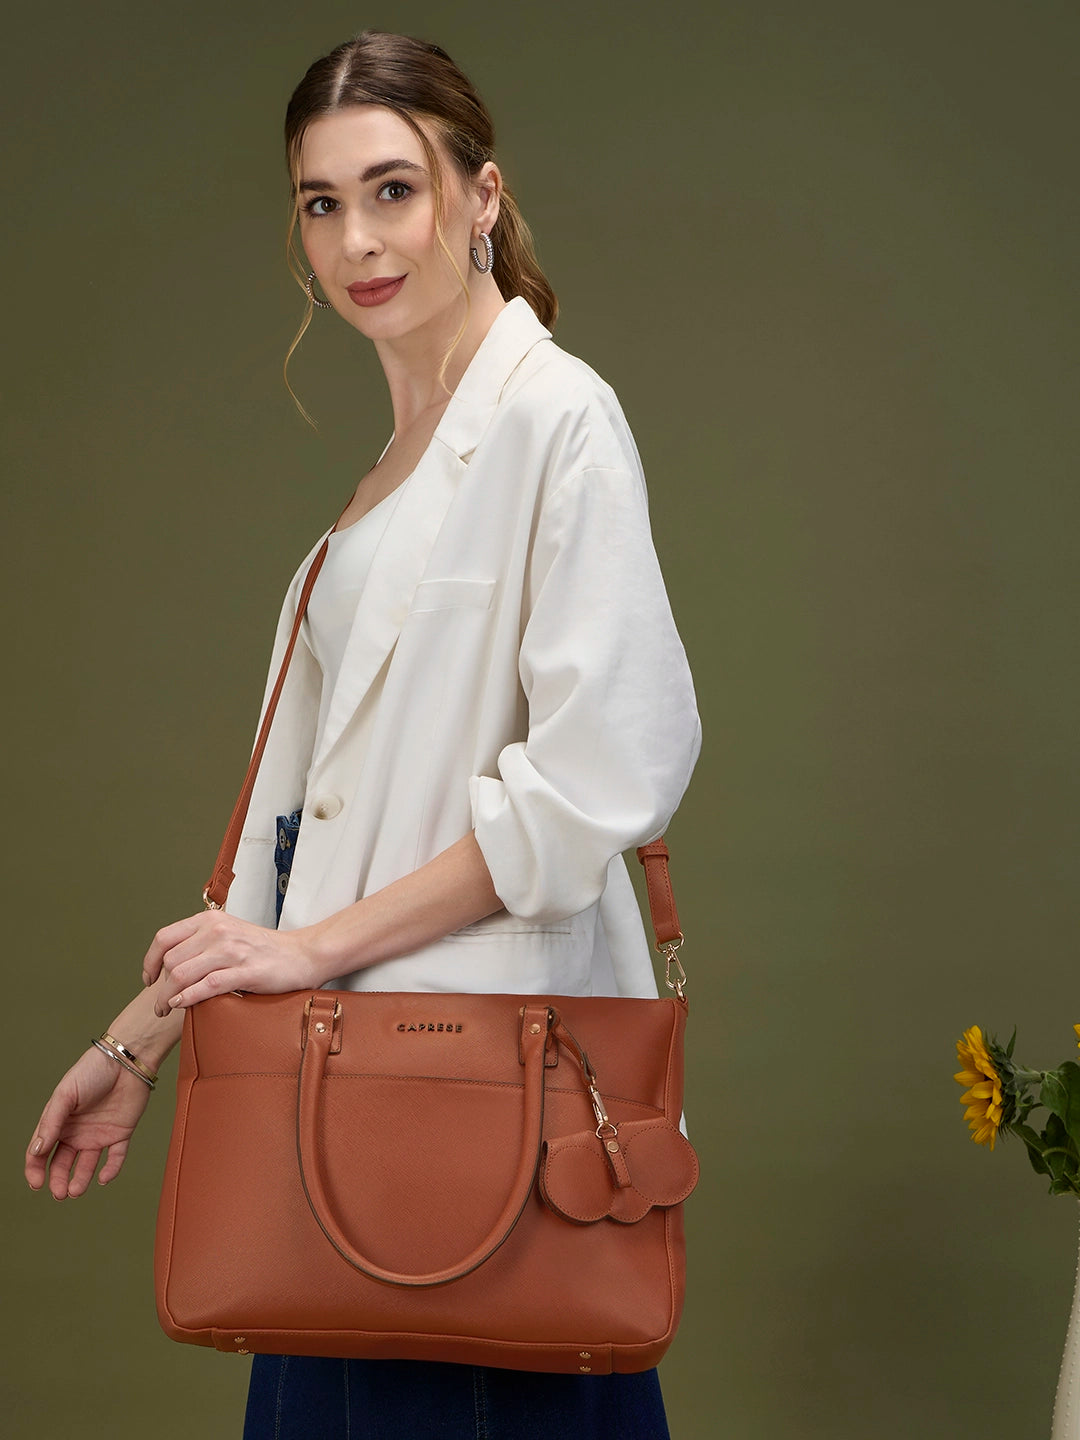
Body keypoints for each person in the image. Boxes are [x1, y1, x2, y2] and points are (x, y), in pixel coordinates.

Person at [24, 29, 701, 1440]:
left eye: (395, 188)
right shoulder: (390, 472)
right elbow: (301, 839)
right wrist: (140, 1043)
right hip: (332, 1127)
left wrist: (316, 949)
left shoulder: (555, 419)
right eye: (321, 203)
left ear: (483, 195)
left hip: (472, 1130)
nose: (357, 241)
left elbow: (603, 773)